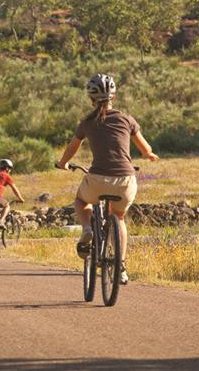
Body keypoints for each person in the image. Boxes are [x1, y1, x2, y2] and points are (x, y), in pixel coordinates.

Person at [56, 74, 159, 284]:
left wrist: (63, 163)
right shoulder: (127, 119)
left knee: (81, 201)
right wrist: (149, 155)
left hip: (97, 179)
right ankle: (120, 267)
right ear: (114, 96)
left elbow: (72, 147)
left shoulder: (86, 122)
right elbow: (146, 149)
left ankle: (86, 229)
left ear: (90, 99)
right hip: (125, 181)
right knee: (119, 217)